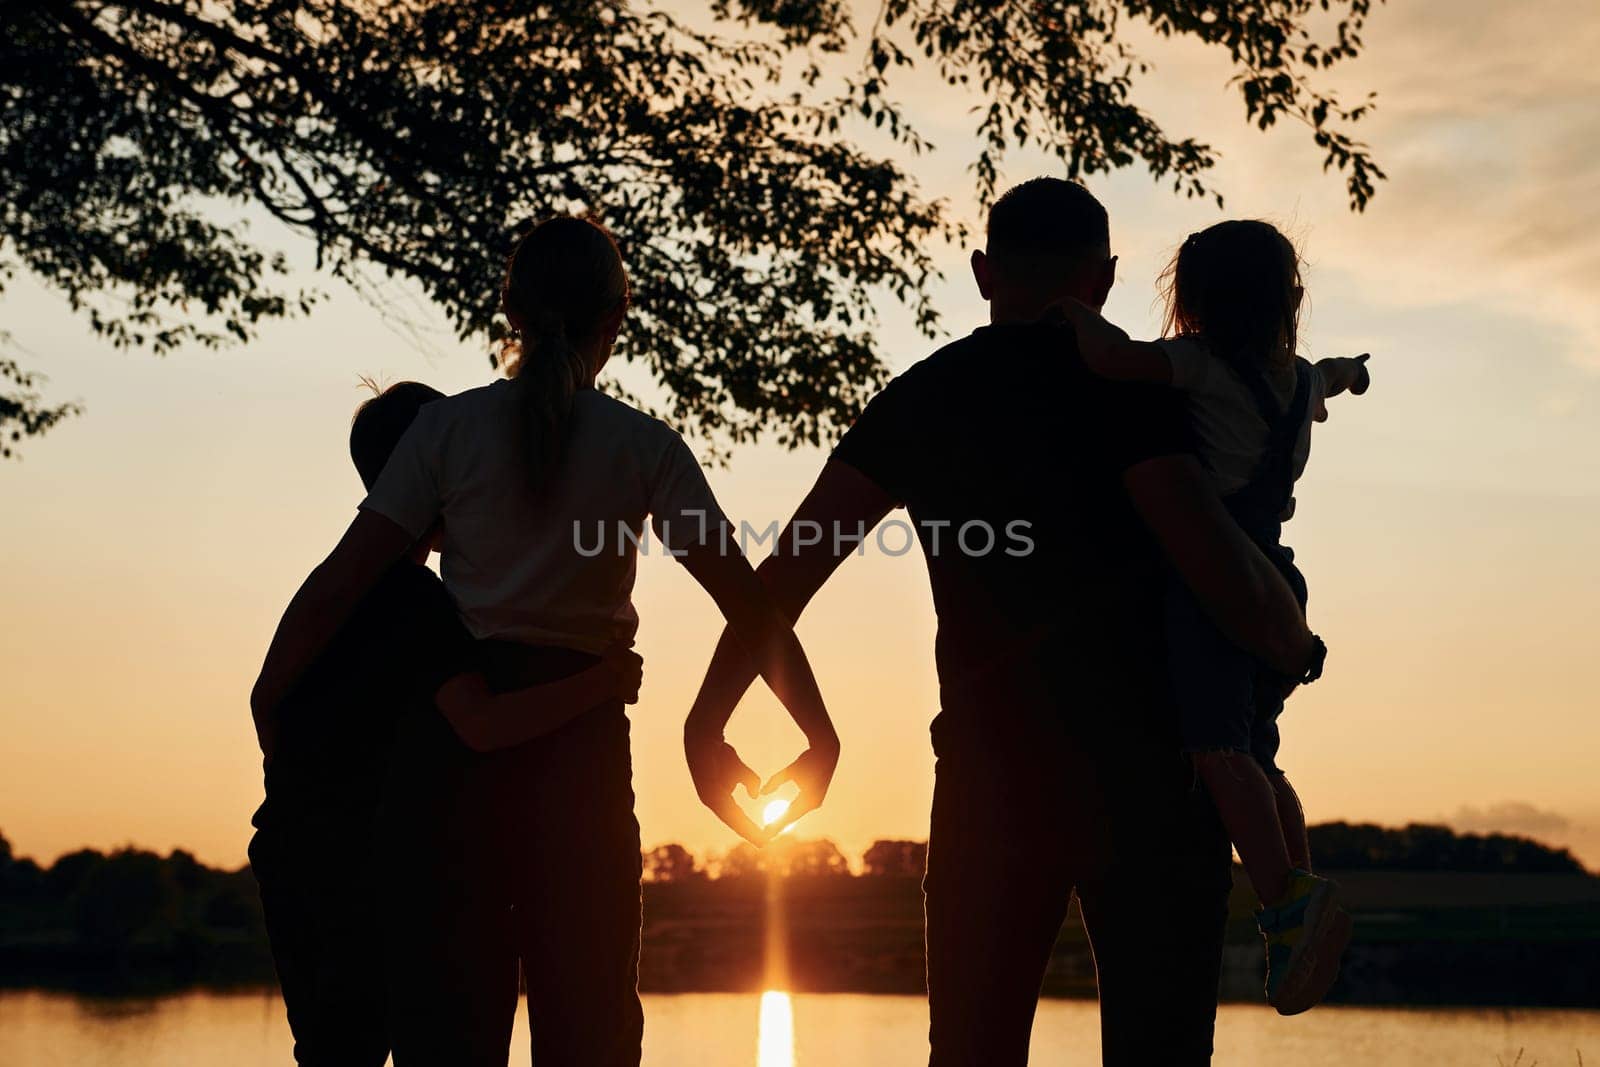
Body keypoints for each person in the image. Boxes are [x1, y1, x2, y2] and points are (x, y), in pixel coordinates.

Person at [687, 178, 1325, 1066]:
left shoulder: (927, 397)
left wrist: (708, 718)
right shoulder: (1146, 393)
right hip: (1153, 783)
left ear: (984, 272)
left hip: (993, 782)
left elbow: (785, 573)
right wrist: (1298, 647)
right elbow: (1224, 568)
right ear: (1101, 280)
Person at [250, 216, 839, 1067]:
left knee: (451, 1036)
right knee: (589, 1031)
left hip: (455, 760)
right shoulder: (643, 447)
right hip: (579, 748)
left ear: (509, 312)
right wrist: (814, 732)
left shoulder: (444, 432)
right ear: (617, 322)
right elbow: (749, 605)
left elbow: (344, 579)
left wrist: (272, 693)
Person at [248, 380, 643, 1067]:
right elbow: (482, 723)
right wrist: (603, 681)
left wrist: (303, 796)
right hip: (368, 873)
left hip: (290, 853)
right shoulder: (419, 605)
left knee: (331, 1050)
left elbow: (264, 701)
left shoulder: (325, 593)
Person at [1061, 219, 1370, 1013]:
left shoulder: (1194, 365)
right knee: (1258, 755)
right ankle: (1298, 892)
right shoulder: (1297, 378)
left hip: (1213, 581)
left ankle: (1283, 902)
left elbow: (1112, 360)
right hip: (1280, 577)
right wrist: (1351, 373)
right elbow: (1330, 376)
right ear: (1288, 299)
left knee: (1214, 746)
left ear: (1192, 302)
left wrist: (1074, 309)